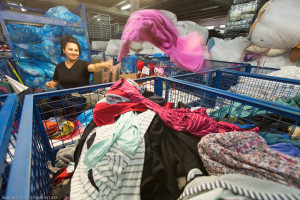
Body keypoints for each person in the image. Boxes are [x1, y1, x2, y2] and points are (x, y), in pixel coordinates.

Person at [45, 35, 113, 90]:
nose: (73, 53)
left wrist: (103, 64)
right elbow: (57, 81)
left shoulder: (83, 64)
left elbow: (94, 67)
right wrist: (50, 84)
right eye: (70, 49)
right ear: (64, 50)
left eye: (76, 50)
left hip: (83, 98)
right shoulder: (59, 66)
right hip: (67, 97)